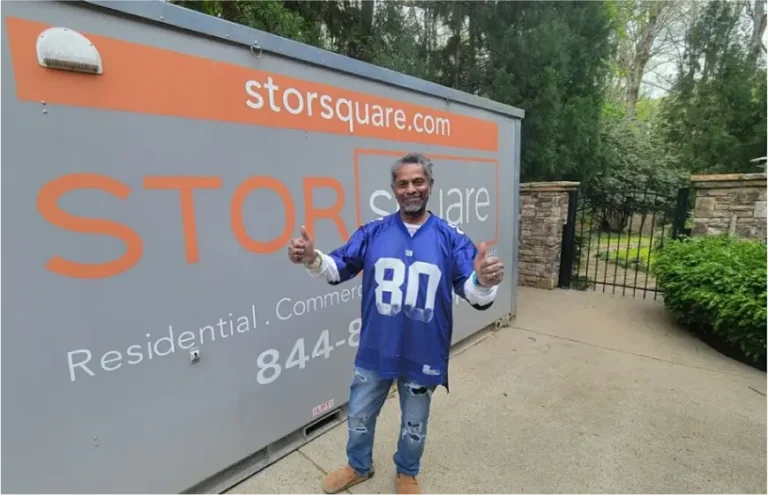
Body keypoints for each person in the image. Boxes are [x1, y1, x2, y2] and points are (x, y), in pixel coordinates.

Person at [287, 152, 505, 495]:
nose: (411, 189)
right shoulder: (373, 232)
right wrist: (313, 258)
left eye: (418, 181)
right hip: (377, 347)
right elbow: (338, 267)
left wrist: (485, 281)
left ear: (430, 185)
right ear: (393, 189)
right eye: (403, 183)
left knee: (415, 423)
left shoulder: (451, 238)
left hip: (423, 351)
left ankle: (407, 473)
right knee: (359, 416)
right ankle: (358, 466)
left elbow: (473, 293)